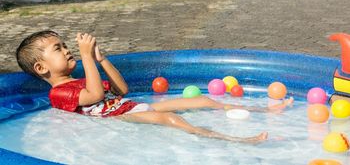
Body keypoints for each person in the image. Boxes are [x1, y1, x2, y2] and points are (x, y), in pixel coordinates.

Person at [16, 30, 293, 144]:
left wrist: (101, 59)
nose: (66, 50)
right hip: (120, 115)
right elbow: (96, 96)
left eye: (65, 45)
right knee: (170, 118)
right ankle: (238, 141)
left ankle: (263, 109)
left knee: (203, 101)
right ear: (41, 68)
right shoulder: (58, 92)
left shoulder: (81, 78)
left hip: (128, 104)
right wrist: (86, 57)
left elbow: (122, 90)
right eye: (58, 49)